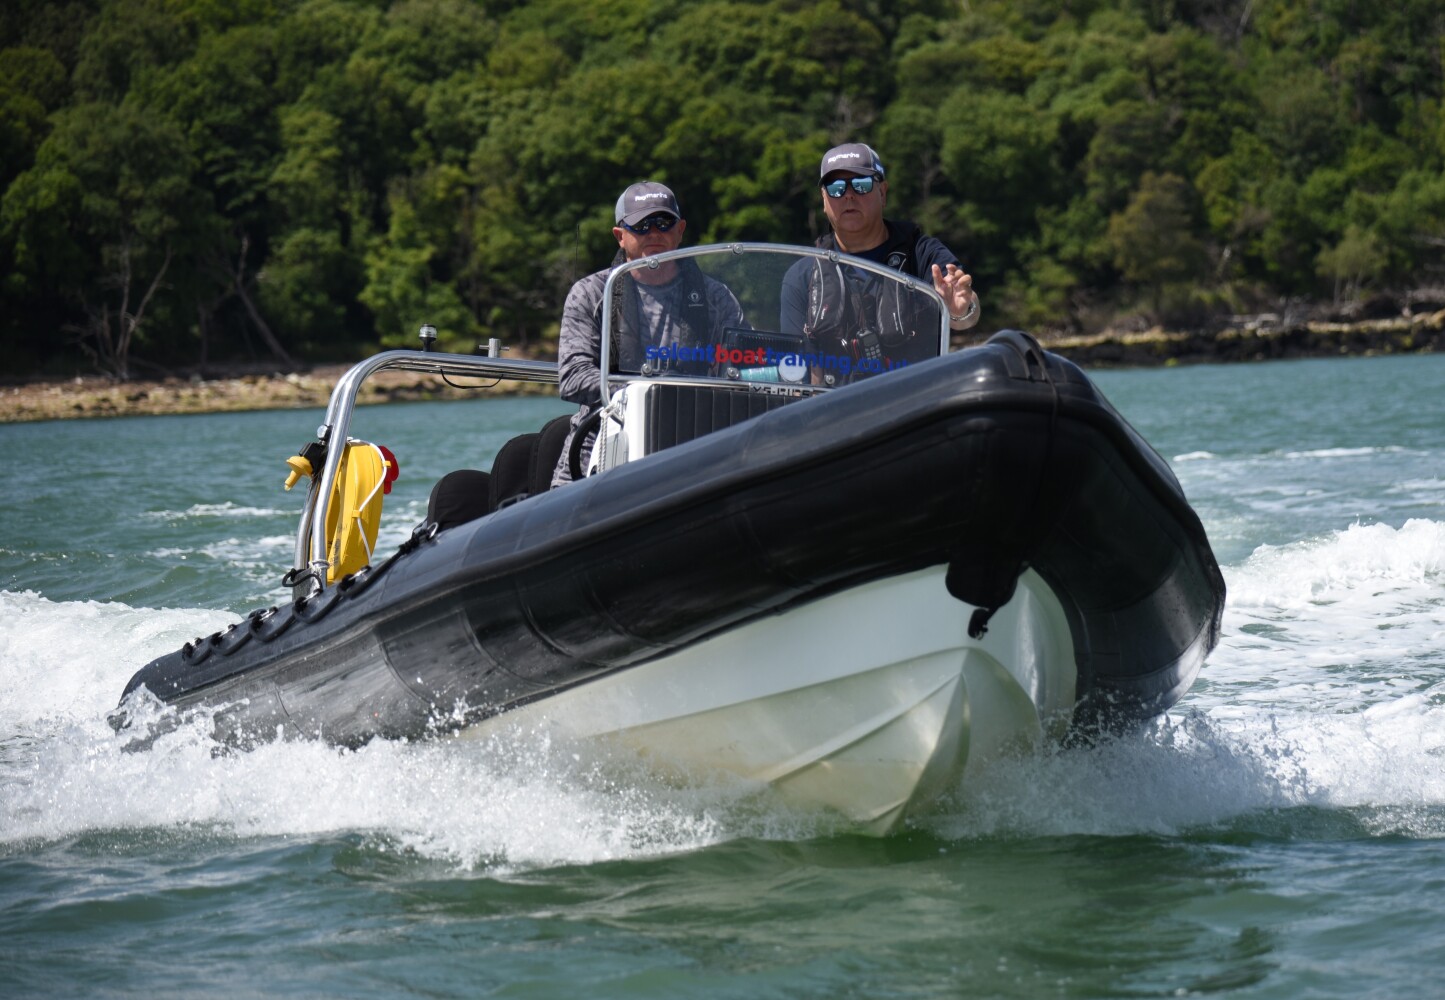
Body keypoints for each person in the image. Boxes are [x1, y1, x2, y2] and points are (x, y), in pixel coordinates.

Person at [552, 181, 746, 486]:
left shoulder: (718, 298)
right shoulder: (589, 294)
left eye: (664, 222)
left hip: (693, 445)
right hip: (599, 445)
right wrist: (646, 390)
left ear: (680, 230)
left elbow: (742, 368)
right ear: (620, 236)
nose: (654, 232)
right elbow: (572, 376)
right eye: (642, 225)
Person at [779, 143, 980, 383]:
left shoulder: (922, 253)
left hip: (916, 404)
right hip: (837, 410)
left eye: (862, 185)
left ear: (883, 193)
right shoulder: (802, 275)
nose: (849, 195)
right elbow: (803, 375)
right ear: (824, 200)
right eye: (836, 189)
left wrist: (959, 310)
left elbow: (968, 312)